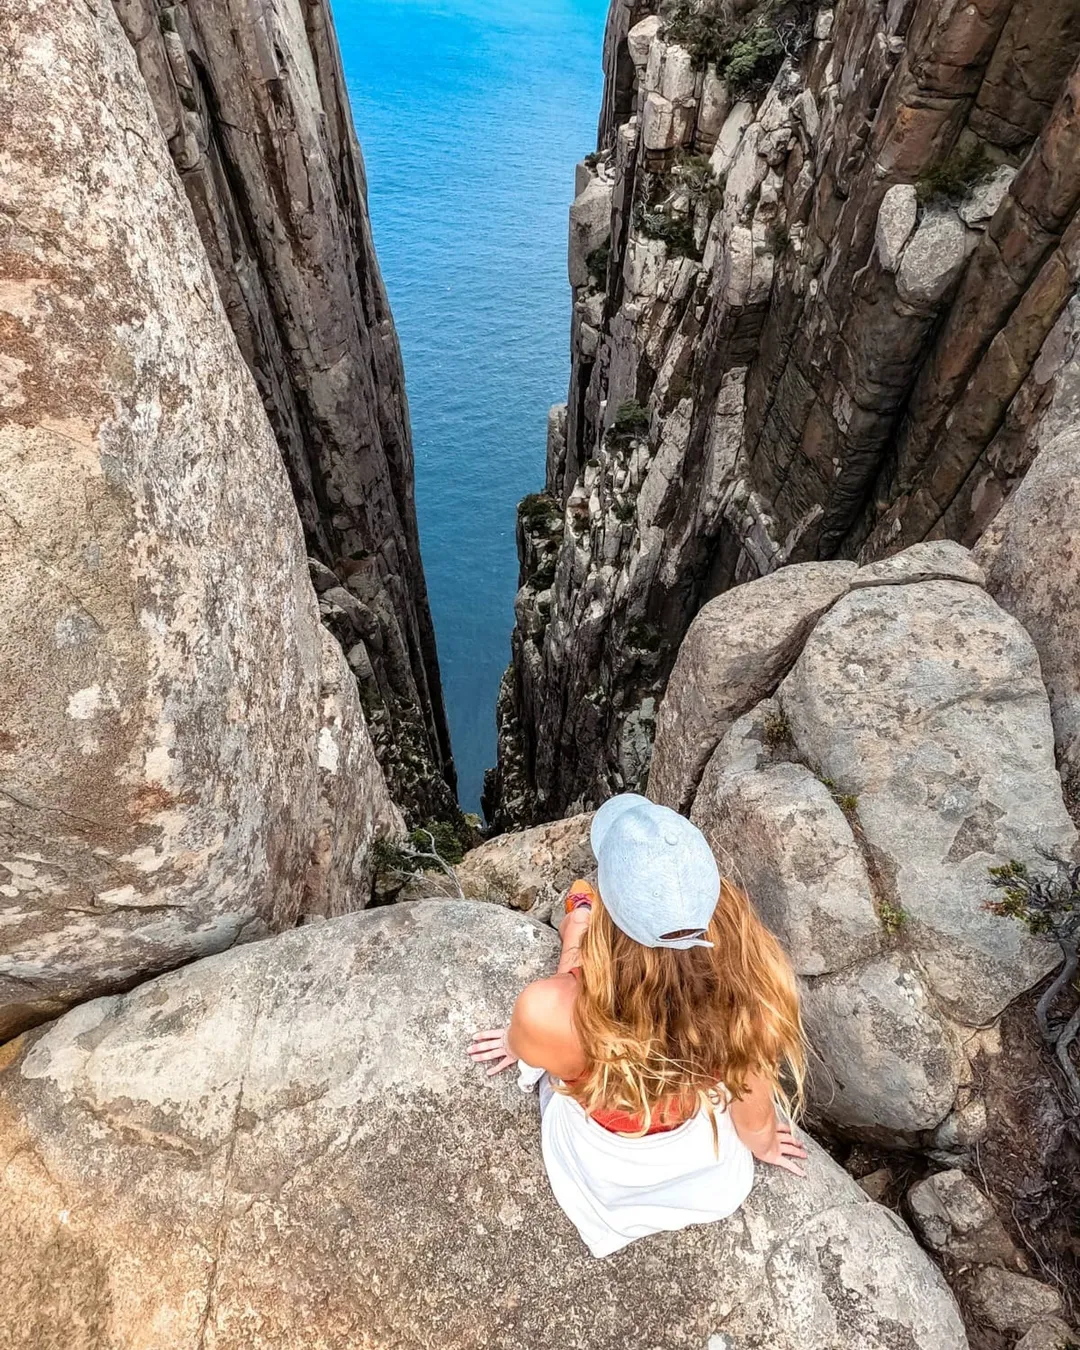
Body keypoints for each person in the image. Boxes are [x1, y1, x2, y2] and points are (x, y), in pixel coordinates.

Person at [468, 792, 808, 1258]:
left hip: (605, 1169)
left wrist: (518, 1038)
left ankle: (578, 919)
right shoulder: (745, 1004)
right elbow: (753, 1122)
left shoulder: (546, 1010)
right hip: (691, 1157)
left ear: (609, 915)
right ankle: (580, 921)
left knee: (575, 961)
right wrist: (765, 1143)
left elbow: (532, 1043)